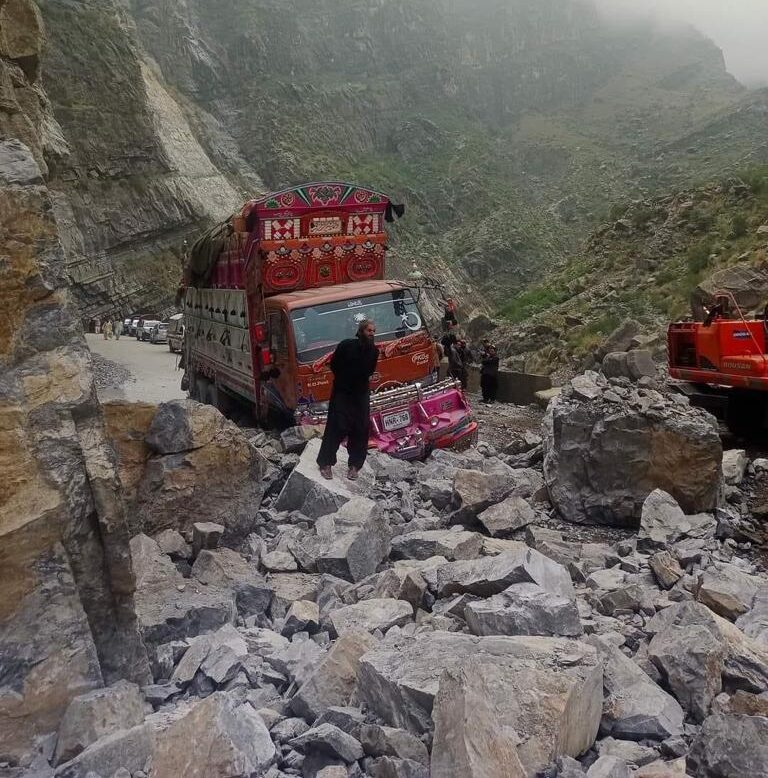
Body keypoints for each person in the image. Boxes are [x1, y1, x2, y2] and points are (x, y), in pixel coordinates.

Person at [317, 319, 379, 481]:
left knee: (360, 428)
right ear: (360, 332)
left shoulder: (374, 352)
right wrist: (344, 381)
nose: (371, 334)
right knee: (337, 426)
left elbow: (370, 371)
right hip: (342, 393)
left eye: (373, 331)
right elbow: (334, 365)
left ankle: (354, 466)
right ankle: (326, 463)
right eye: (369, 330)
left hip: (361, 395)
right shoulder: (346, 345)